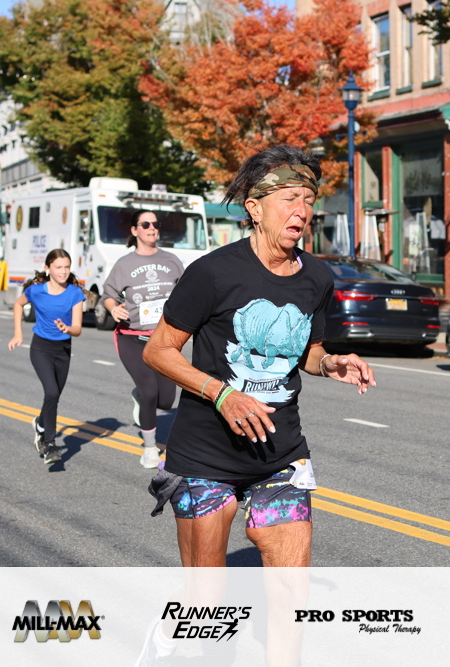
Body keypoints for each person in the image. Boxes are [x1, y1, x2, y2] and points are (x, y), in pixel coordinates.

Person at [142, 144, 377, 568]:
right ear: (255, 208)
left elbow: (307, 351)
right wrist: (222, 394)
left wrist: (329, 363)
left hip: (280, 454)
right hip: (205, 457)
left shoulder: (317, 277)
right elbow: (158, 350)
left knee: (292, 591)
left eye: (308, 200)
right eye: (289, 199)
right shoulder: (213, 273)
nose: (301, 211)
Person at [102, 210, 185, 469]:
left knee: (166, 401)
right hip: (132, 337)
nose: (152, 228)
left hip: (163, 339)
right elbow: (108, 294)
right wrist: (113, 309)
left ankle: (139, 396)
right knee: (150, 390)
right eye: (145, 224)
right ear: (134, 230)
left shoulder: (171, 260)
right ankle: (149, 448)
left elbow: (186, 292)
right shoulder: (124, 264)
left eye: (155, 224)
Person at [8, 248, 85, 466]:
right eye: (58, 267)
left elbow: (78, 328)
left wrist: (67, 328)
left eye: (67, 267)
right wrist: (18, 333)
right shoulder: (36, 291)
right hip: (41, 348)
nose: (63, 271)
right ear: (48, 268)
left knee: (54, 396)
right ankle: (49, 444)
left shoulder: (75, 293)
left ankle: (40, 425)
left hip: (63, 350)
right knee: (51, 392)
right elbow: (18, 304)